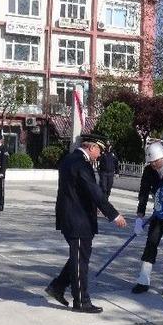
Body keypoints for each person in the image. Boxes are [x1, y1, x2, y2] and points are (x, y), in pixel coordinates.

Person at [46, 134, 127, 314]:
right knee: (80, 261)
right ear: (91, 147)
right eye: (99, 150)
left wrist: (92, 206)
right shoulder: (81, 164)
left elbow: (77, 190)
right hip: (78, 219)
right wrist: (113, 215)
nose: (100, 155)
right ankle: (81, 301)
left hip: (71, 216)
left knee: (79, 256)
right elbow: (94, 191)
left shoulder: (69, 159)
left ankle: (57, 287)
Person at [131, 142, 163, 295]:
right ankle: (143, 280)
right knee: (151, 241)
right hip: (160, 210)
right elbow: (143, 193)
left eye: (155, 161)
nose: (152, 164)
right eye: (150, 162)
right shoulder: (149, 170)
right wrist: (139, 217)